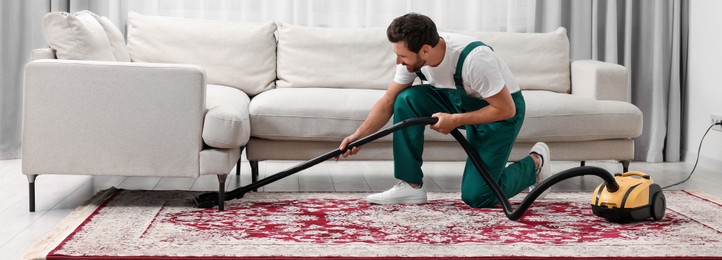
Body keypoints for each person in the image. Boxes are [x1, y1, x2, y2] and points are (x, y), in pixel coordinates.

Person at [336, 13, 551, 208]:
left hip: (499, 112)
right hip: (455, 101)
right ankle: (411, 186)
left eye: (402, 56)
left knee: (478, 197)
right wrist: (359, 136)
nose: (398, 61)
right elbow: (388, 101)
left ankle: (535, 163)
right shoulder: (415, 58)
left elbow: (506, 109)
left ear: (425, 50)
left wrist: (455, 120)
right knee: (405, 99)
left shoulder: (475, 60)